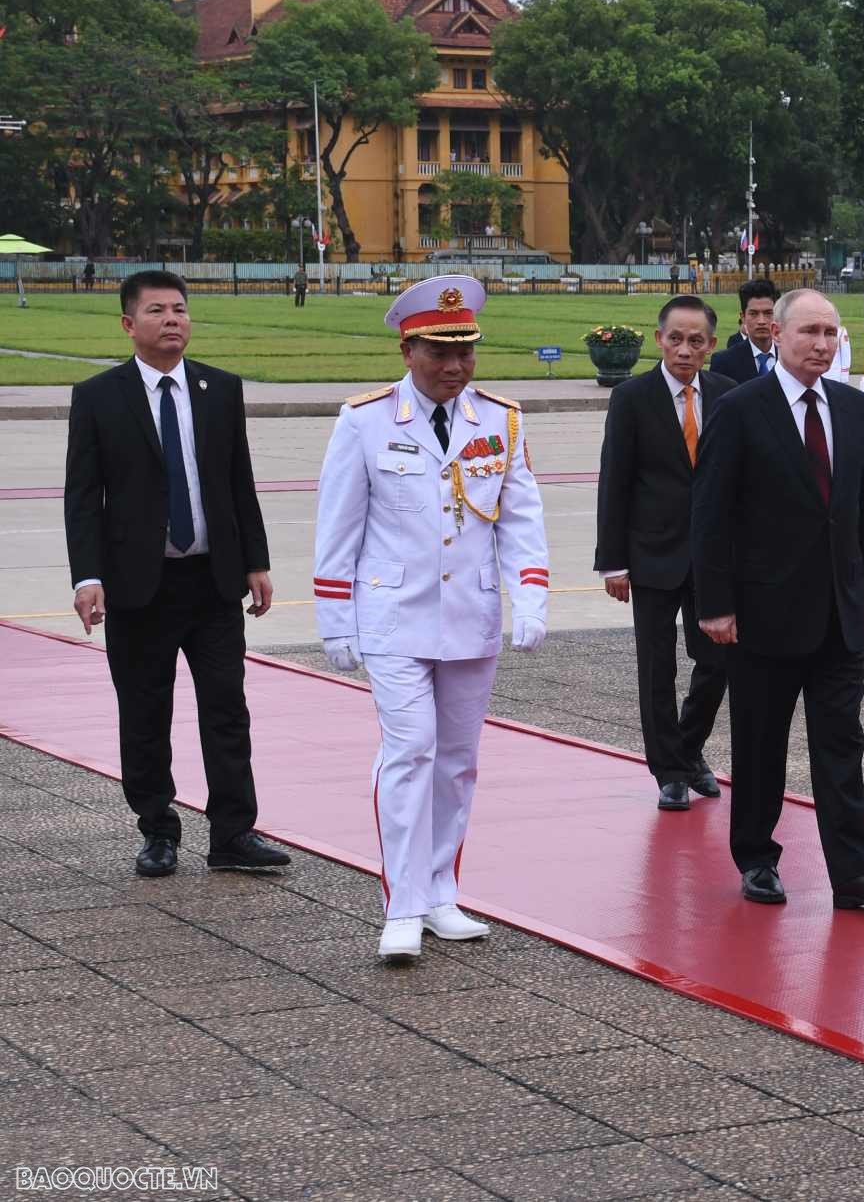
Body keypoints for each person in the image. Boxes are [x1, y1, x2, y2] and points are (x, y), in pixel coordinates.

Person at [312, 275, 551, 960]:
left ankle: (442, 891)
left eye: (465, 352)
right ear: (407, 349)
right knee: (410, 750)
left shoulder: (501, 418)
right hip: (392, 615)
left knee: (457, 762)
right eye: (438, 353)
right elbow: (338, 526)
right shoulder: (365, 419)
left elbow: (521, 516)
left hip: (469, 614)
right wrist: (335, 618)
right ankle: (403, 902)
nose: (454, 367)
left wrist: (529, 595)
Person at [64, 271, 290, 879]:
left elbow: (238, 481)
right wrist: (87, 577)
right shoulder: (98, 397)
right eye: (157, 310)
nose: (173, 320)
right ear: (128, 324)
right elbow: (82, 497)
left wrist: (255, 561)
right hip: (140, 585)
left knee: (226, 709)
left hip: (212, 582)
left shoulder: (221, 389)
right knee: (144, 711)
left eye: (181, 309)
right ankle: (158, 830)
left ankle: (233, 834)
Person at [691, 289, 864, 912]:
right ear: (778, 335)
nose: (821, 343)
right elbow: (711, 515)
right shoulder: (739, 409)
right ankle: (757, 858)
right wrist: (716, 604)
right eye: (810, 331)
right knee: (761, 744)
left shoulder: (851, 406)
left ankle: (854, 872)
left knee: (842, 743)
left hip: (839, 613)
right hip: (763, 613)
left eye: (831, 333)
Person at [595, 295, 735, 810]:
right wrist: (613, 561)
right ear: (659, 340)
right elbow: (616, 481)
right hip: (650, 555)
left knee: (718, 663)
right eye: (675, 338)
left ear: (711, 346)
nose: (684, 349)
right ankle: (669, 771)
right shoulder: (632, 398)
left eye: (695, 340)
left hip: (713, 558)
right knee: (657, 668)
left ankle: (688, 746)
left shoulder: (727, 394)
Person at [707, 278, 780, 380]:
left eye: (768, 313)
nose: (761, 321)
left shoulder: (792, 358)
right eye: (753, 314)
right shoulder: (723, 362)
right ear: (743, 317)